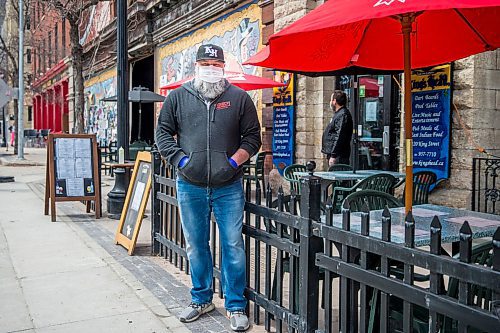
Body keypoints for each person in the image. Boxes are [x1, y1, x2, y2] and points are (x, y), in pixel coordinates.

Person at [155, 44, 261, 331]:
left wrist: (233, 162)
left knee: (233, 245)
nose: (210, 69)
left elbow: (253, 138)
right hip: (190, 185)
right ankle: (201, 299)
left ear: (223, 67)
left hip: (229, 186)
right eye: (205, 64)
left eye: (215, 65)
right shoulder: (177, 97)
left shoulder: (239, 98)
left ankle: (236, 304)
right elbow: (162, 134)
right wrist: (181, 160)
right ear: (196, 66)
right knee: (195, 245)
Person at [321, 90, 353, 166]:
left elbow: (340, 135)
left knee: (337, 176)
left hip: (339, 156)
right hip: (335, 154)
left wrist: (333, 155)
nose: (330, 102)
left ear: (334, 101)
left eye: (331, 100)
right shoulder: (339, 114)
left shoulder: (342, 114)